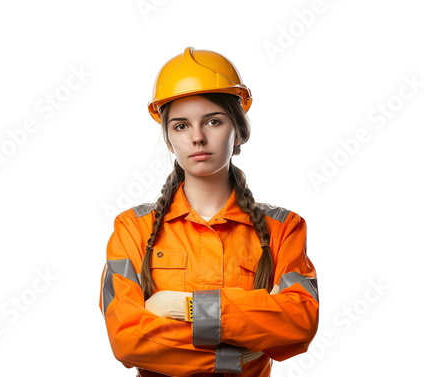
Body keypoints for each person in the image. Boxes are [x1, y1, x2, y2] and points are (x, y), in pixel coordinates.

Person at [100, 47, 319, 377]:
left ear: (238, 131)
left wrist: (185, 308)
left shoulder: (283, 228)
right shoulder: (134, 228)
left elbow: (299, 323)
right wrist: (242, 348)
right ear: (169, 140)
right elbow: (128, 341)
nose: (198, 138)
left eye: (213, 121)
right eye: (181, 126)